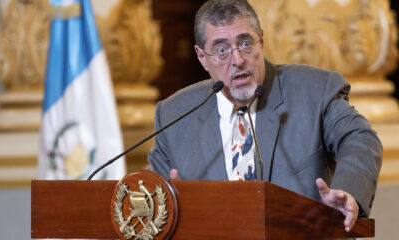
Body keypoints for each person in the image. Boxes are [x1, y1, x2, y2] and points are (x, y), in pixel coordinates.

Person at [148, 0, 382, 234]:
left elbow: (360, 139)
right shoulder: (174, 115)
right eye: (221, 50)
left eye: (246, 43)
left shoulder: (315, 91)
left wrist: (348, 191)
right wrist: (172, 207)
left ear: (261, 40)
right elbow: (153, 205)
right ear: (201, 57)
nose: (237, 60)